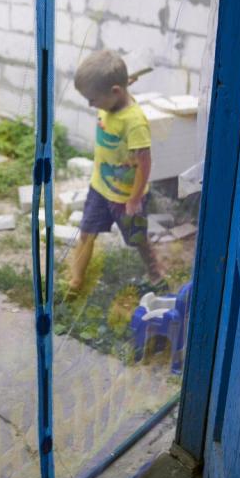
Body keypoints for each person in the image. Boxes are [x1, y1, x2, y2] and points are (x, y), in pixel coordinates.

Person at [67, 50, 162, 296]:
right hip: (100, 186)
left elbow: (145, 162)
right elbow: (122, 83)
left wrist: (135, 198)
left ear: (116, 92)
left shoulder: (135, 122)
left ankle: (156, 275)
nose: (90, 105)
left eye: (92, 99)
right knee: (86, 232)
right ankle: (75, 283)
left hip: (126, 196)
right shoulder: (111, 96)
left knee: (137, 239)